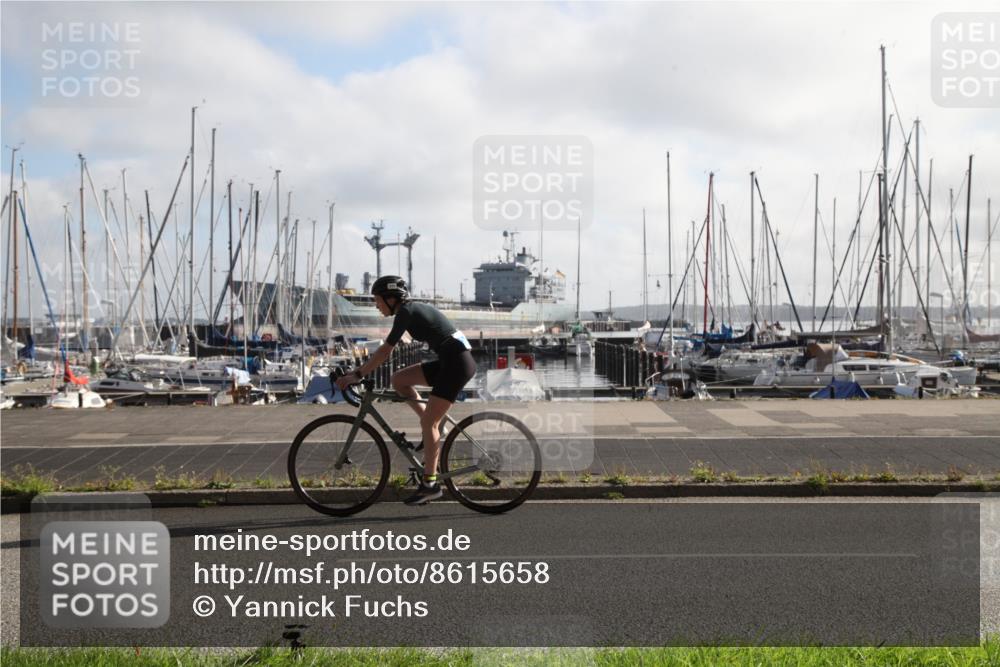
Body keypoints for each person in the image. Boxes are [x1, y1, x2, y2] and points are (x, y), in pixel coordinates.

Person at [335, 275, 476, 505]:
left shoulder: (406, 312)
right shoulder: (409, 310)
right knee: (399, 380)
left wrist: (358, 375)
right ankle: (434, 428)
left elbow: (385, 351)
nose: (376, 306)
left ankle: (430, 485)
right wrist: (359, 372)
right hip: (450, 360)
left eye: (377, 300)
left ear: (391, 299)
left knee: (428, 423)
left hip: (457, 365)